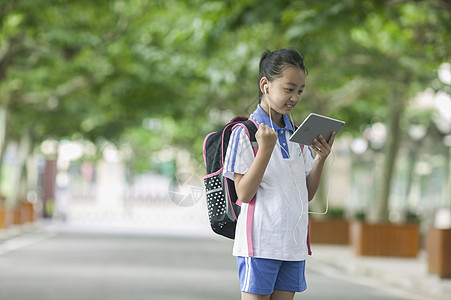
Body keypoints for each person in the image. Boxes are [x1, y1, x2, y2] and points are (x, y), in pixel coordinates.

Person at [223, 48, 335, 300]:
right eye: (289, 88)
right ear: (265, 85)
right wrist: (265, 150)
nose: (295, 97)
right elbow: (244, 193)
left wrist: (320, 159)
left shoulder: (299, 134)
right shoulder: (245, 131)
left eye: (300, 90)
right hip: (259, 244)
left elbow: (306, 194)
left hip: (293, 245)